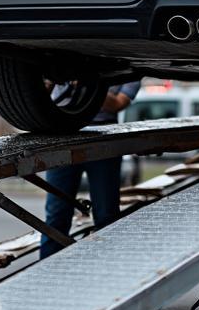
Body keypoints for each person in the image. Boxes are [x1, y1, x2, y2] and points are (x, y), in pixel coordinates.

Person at [39, 80, 141, 258]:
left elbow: (118, 104)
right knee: (56, 215)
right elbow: (33, 95)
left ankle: (107, 270)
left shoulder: (128, 65)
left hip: (104, 139)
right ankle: (45, 275)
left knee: (106, 216)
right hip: (62, 136)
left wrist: (89, 86)